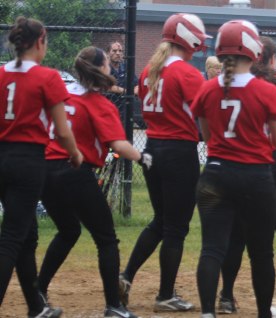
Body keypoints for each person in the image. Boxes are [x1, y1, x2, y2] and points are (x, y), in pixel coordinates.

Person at [37, 46, 148, 318]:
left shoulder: (61, 95)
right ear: (99, 69)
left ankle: (37, 291)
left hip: (45, 171)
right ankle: (113, 306)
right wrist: (144, 157)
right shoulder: (98, 103)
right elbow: (119, 145)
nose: (111, 67)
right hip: (74, 171)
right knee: (106, 239)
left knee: (69, 230)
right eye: (108, 63)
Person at [191, 20, 276, 318]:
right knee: (261, 253)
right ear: (253, 50)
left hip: (216, 174)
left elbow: (207, 137)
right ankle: (262, 313)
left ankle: (208, 311)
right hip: (254, 177)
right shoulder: (266, 90)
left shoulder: (208, 89)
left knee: (212, 249)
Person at [118, 13, 210, 312]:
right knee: (176, 228)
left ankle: (126, 276)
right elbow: (205, 114)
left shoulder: (149, 70)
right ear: (189, 38)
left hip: (152, 149)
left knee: (161, 221)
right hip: (178, 153)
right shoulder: (186, 73)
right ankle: (165, 294)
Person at [217, 35, 276, 318]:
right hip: (271, 165)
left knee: (237, 235)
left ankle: (225, 297)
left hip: (235, 165)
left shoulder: (231, 82)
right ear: (271, 58)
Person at [0, 16, 82, 317]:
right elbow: (62, 131)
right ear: (40, 42)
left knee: (25, 234)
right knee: (12, 236)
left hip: (2, 155)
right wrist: (74, 154)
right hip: (28, 160)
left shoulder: (0, 73)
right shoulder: (47, 77)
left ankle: (36, 307)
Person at [106, 41, 139, 122]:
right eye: (114, 51)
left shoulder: (126, 66)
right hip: (109, 106)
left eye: (120, 51)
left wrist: (134, 91)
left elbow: (136, 84)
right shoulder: (105, 67)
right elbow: (107, 86)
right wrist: (127, 92)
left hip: (124, 108)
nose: (118, 53)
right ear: (108, 53)